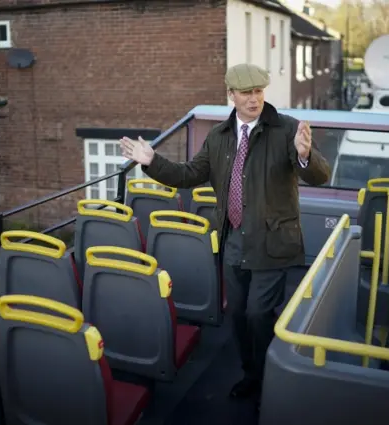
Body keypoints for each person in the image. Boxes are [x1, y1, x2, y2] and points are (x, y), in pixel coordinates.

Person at [119, 63, 330, 408]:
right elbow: (188, 174)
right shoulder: (218, 137)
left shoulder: (287, 129)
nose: (254, 99)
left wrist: (305, 156)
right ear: (230, 95)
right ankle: (252, 373)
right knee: (239, 316)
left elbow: (320, 175)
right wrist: (151, 160)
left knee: (258, 314)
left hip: (273, 242)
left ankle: (269, 378)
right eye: (246, 92)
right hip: (233, 240)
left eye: (259, 91)